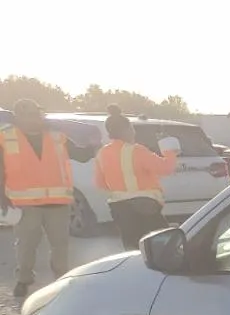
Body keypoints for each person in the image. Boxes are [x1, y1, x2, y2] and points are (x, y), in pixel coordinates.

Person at [0, 99, 96, 298]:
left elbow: (80, 155)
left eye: (35, 113)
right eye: (27, 114)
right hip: (25, 204)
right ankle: (24, 279)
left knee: (60, 244)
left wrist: (93, 146)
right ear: (17, 117)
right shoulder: (5, 137)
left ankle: (61, 278)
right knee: (26, 245)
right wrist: (2, 196)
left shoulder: (57, 136)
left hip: (58, 202)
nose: (32, 118)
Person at [93, 106, 180, 249]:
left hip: (118, 207)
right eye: (132, 128)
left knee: (132, 249)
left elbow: (100, 183)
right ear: (126, 130)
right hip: (145, 206)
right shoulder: (136, 150)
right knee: (160, 247)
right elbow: (166, 168)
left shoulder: (102, 153)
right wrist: (170, 151)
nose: (134, 132)